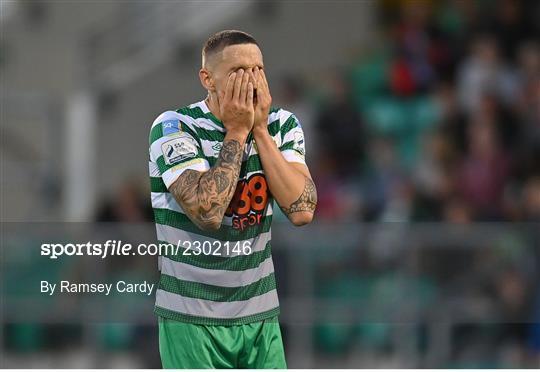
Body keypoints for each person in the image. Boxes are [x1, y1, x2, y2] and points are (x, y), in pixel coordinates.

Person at [148, 30, 318, 368]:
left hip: (260, 314)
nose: (252, 81)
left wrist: (259, 130)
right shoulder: (176, 127)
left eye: (258, 70)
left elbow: (302, 210)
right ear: (207, 79)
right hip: (191, 317)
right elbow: (207, 212)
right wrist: (238, 131)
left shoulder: (282, 125)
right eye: (239, 72)